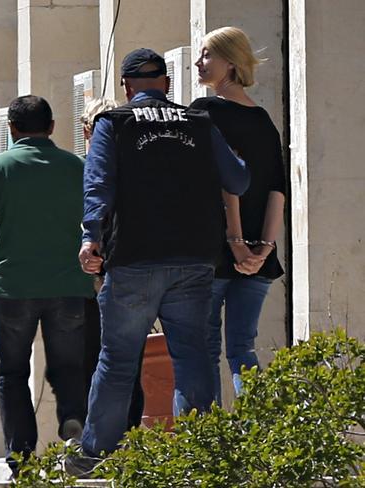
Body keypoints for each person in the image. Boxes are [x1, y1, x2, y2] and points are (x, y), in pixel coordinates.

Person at [71, 47, 250, 467]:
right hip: (194, 259)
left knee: (117, 360)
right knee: (192, 356)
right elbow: (238, 180)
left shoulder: (112, 123)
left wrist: (89, 238)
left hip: (134, 258)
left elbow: (97, 186)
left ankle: (96, 454)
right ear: (167, 84)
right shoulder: (199, 122)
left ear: (126, 87)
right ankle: (199, 452)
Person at [0, 95, 91, 475]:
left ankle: (22, 457)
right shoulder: (75, 165)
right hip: (70, 284)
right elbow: (99, 218)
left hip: (13, 286)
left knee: (12, 372)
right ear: (52, 127)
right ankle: (73, 428)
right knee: (69, 367)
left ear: (11, 129)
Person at [190, 26, 286, 405]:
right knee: (243, 349)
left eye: (207, 54)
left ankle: (212, 447)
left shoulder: (204, 112)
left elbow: (226, 184)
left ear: (229, 62)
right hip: (258, 256)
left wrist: (236, 243)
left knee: (205, 349)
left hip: (216, 251)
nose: (199, 62)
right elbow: (278, 189)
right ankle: (258, 441)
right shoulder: (264, 119)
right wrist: (264, 248)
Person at [80, 97, 144, 430]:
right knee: (128, 363)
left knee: (105, 362)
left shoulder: (93, 167)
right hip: (132, 271)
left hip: (103, 277)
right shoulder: (137, 163)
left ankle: (103, 440)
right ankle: (129, 435)